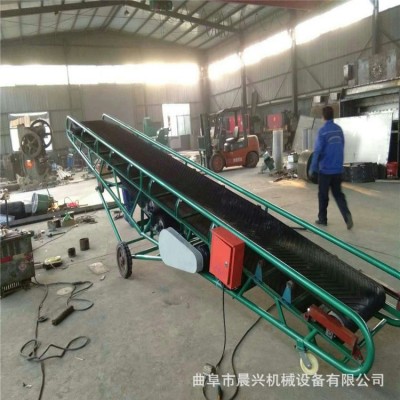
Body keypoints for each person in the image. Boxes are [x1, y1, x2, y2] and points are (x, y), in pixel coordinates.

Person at [309, 106, 353, 229]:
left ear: (323, 117)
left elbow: (317, 151)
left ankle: (322, 219)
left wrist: (313, 168)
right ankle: (347, 215)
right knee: (338, 194)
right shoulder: (339, 130)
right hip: (337, 169)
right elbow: (341, 146)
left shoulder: (323, 131)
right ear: (333, 116)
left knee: (323, 195)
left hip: (325, 170)